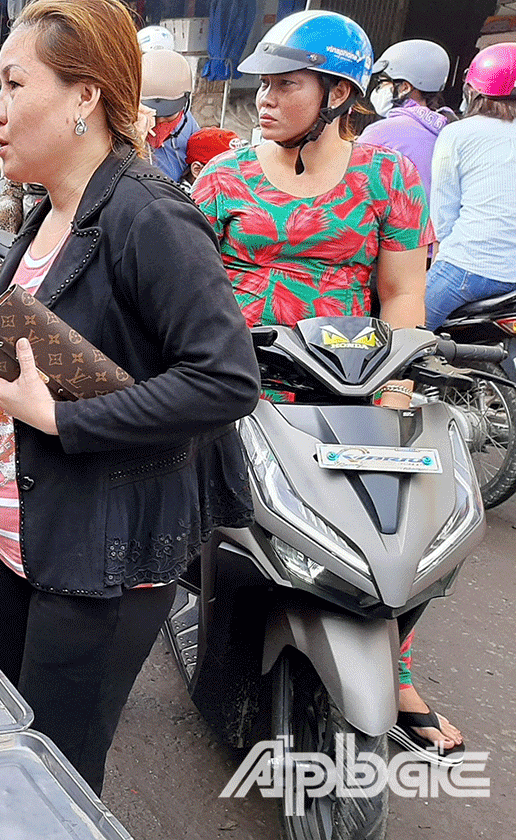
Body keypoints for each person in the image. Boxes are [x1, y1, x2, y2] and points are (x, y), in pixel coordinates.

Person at [0, 0, 258, 795]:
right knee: (23, 745)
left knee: (59, 776)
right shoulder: (52, 208)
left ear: (85, 97)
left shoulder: (149, 213)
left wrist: (63, 417)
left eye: (14, 84)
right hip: (31, 543)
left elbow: (225, 379)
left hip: (100, 559)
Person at [194, 10, 465, 765]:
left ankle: (394, 661)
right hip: (243, 385)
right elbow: (191, 291)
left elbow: (403, 292)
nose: (266, 101)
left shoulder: (388, 176)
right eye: (264, 86)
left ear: (340, 93)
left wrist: (398, 381)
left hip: (353, 383)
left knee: (420, 516)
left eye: (286, 85)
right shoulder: (222, 178)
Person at [423, 43, 516, 329]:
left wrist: (438, 264)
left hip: (465, 269)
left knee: (401, 339)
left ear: (472, 91)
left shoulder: (457, 133)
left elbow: (443, 215)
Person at [359, 39, 454, 194]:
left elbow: (353, 184)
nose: (377, 90)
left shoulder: (381, 132)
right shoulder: (449, 130)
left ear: (405, 87)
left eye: (383, 83)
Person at [141, 49, 199, 180]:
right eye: (153, 115)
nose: (160, 122)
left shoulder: (189, 128)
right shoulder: (122, 133)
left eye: (168, 115)